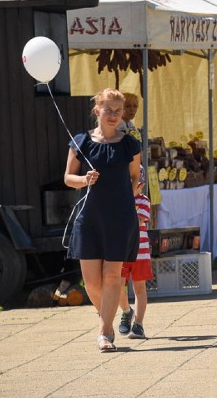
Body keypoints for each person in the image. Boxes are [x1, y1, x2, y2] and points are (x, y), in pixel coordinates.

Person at [64, 88, 141, 352]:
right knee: (92, 282)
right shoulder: (81, 142)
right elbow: (67, 178)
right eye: (108, 110)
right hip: (89, 217)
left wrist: (135, 187)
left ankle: (104, 333)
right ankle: (109, 320)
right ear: (97, 110)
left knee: (112, 276)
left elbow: (134, 176)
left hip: (120, 217)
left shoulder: (130, 143)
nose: (113, 115)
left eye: (118, 111)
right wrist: (84, 180)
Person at [117, 171, 152, 340]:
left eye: (134, 184)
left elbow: (137, 221)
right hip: (120, 252)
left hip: (140, 252)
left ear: (141, 185)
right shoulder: (117, 200)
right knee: (117, 286)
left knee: (139, 288)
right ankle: (126, 311)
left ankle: (139, 324)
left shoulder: (143, 201)